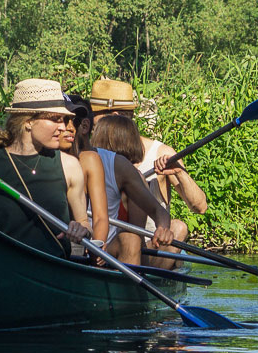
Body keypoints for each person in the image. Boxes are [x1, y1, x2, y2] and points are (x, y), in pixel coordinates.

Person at [0, 79, 96, 258]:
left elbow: (84, 223)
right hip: (3, 268)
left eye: (64, 120)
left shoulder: (70, 165)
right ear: (28, 122)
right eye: (55, 119)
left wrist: (82, 230)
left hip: (54, 269)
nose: (63, 127)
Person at [88, 79, 208, 256]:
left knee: (178, 228)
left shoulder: (160, 152)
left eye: (93, 114)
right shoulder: (89, 152)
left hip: (149, 246)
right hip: (105, 242)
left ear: (112, 115)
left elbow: (200, 207)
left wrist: (179, 173)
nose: (89, 120)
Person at [83, 112, 181, 267]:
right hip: (87, 246)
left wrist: (162, 229)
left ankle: (140, 285)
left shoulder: (129, 174)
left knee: (133, 239)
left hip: (118, 252)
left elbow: (137, 234)